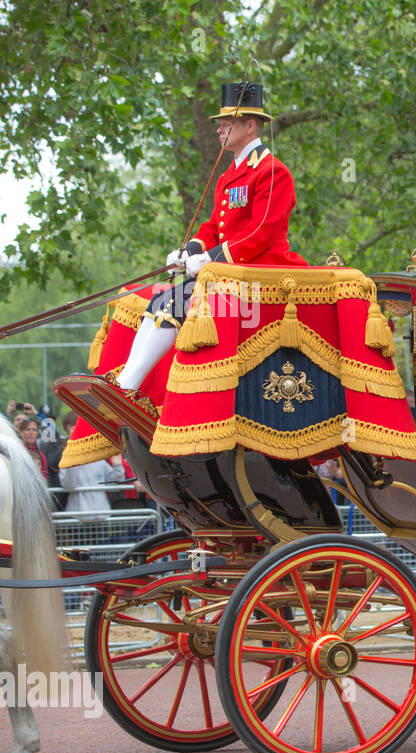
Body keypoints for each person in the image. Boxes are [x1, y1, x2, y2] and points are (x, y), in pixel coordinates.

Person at [117, 81, 308, 391]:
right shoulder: (229, 176)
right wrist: (188, 251)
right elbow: (213, 227)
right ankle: (126, 381)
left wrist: (208, 260)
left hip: (260, 272)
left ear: (250, 125)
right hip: (228, 271)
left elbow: (261, 233)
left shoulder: (272, 172)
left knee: (176, 302)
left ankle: (129, 385)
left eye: (226, 123)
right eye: (220, 124)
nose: (219, 130)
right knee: (160, 301)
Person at [59, 455, 126, 516]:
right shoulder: (66, 461)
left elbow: (115, 486)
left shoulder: (99, 461)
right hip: (78, 516)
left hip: (102, 516)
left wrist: (117, 466)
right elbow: (69, 486)